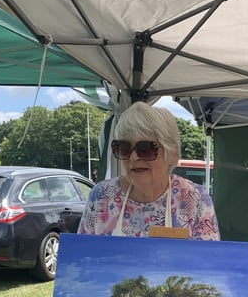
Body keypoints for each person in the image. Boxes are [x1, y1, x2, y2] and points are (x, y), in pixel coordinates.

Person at [78, 102, 219, 240]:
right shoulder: (101, 196)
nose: (133, 157)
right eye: (124, 148)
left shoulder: (195, 199)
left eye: (145, 149)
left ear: (172, 154)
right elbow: (80, 258)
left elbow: (208, 261)